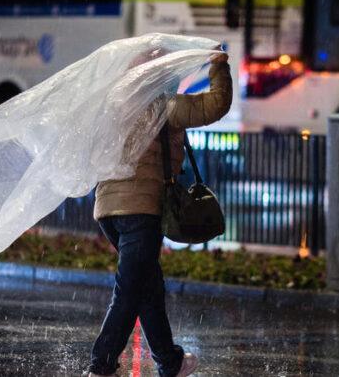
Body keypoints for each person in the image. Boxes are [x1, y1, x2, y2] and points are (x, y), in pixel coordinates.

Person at [88, 52, 232, 377]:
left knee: (147, 289)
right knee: (129, 291)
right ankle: (101, 366)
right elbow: (217, 104)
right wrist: (218, 66)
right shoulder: (161, 105)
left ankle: (170, 362)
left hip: (108, 210)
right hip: (141, 210)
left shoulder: (115, 107)